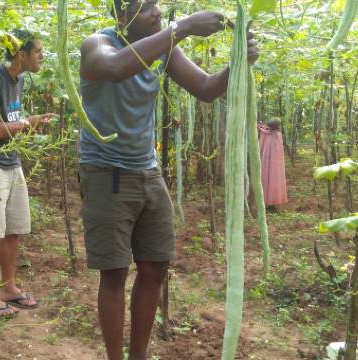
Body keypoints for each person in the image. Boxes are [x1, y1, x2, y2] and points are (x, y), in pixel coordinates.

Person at [77, 1, 259, 359]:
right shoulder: (97, 44)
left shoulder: (164, 49)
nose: (157, 13)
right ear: (121, 17)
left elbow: (206, 88)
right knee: (114, 272)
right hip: (106, 173)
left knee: (155, 266)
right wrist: (184, 27)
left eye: (157, 6)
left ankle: (138, 355)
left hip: (147, 170)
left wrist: (239, 62)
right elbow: (113, 67)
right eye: (146, 8)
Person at [0, 29, 55, 317]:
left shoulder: (19, 79)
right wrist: (28, 123)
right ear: (21, 55)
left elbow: (12, 121)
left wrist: (27, 123)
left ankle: (8, 287)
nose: (42, 56)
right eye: (38, 52)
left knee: (13, 230)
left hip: (12, 161)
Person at [258, 119, 288, 208]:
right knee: (273, 178)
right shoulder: (277, 134)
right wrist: (261, 126)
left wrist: (259, 126)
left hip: (271, 162)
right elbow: (265, 129)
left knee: (270, 178)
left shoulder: (271, 134)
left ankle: (270, 201)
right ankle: (272, 201)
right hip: (274, 163)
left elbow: (264, 130)